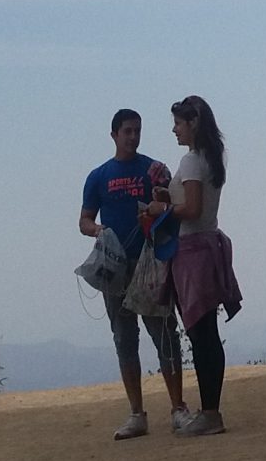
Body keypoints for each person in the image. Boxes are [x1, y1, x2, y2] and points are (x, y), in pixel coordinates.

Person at [78, 109, 188, 438]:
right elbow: (84, 221)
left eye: (137, 130)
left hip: (151, 266)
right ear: (114, 134)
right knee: (124, 340)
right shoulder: (98, 176)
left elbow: (173, 207)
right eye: (127, 131)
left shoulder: (153, 170)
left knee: (165, 336)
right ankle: (136, 413)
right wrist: (100, 232)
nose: (133, 136)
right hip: (116, 270)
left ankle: (178, 408)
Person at [165, 95, 240, 437]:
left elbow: (192, 209)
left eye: (179, 123)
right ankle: (211, 408)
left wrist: (160, 210)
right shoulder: (212, 158)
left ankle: (210, 412)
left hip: (192, 249)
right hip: (207, 245)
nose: (175, 129)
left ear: (192, 123)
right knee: (207, 333)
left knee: (200, 334)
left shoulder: (193, 161)